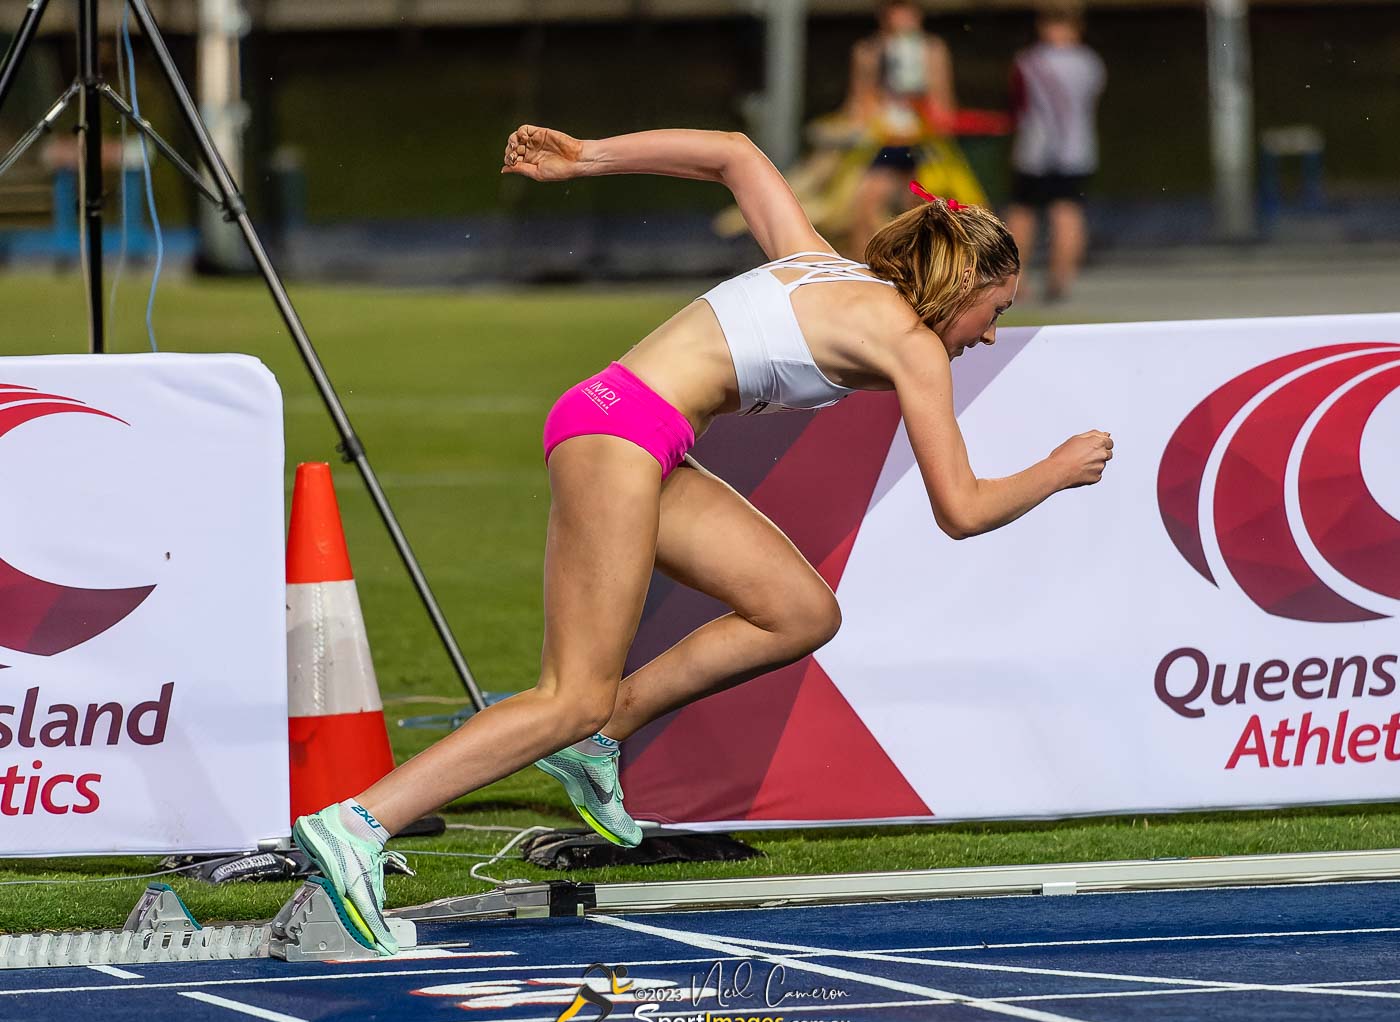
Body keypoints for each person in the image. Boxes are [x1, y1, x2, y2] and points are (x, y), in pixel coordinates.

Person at [292, 124, 1114, 956]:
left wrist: (587, 159)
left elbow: (734, 154)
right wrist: (1055, 468)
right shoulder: (911, 342)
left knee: (797, 612)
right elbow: (962, 509)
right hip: (620, 439)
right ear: (964, 283)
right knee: (569, 690)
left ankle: (599, 736)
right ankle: (359, 824)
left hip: (631, 433)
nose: (990, 334)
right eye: (997, 310)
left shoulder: (824, 263)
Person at [1004, 3, 1107, 303]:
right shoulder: (1090, 62)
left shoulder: (1028, 60)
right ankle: (1061, 279)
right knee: (1068, 211)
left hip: (1035, 149)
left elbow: (1017, 103)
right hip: (1076, 149)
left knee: (1023, 212)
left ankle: (1014, 282)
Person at [844, 0, 958, 261]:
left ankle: (922, 269)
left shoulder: (931, 48)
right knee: (865, 203)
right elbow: (860, 100)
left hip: (923, 138)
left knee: (924, 207)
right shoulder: (869, 50)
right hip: (886, 138)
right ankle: (866, 268)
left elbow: (943, 100)